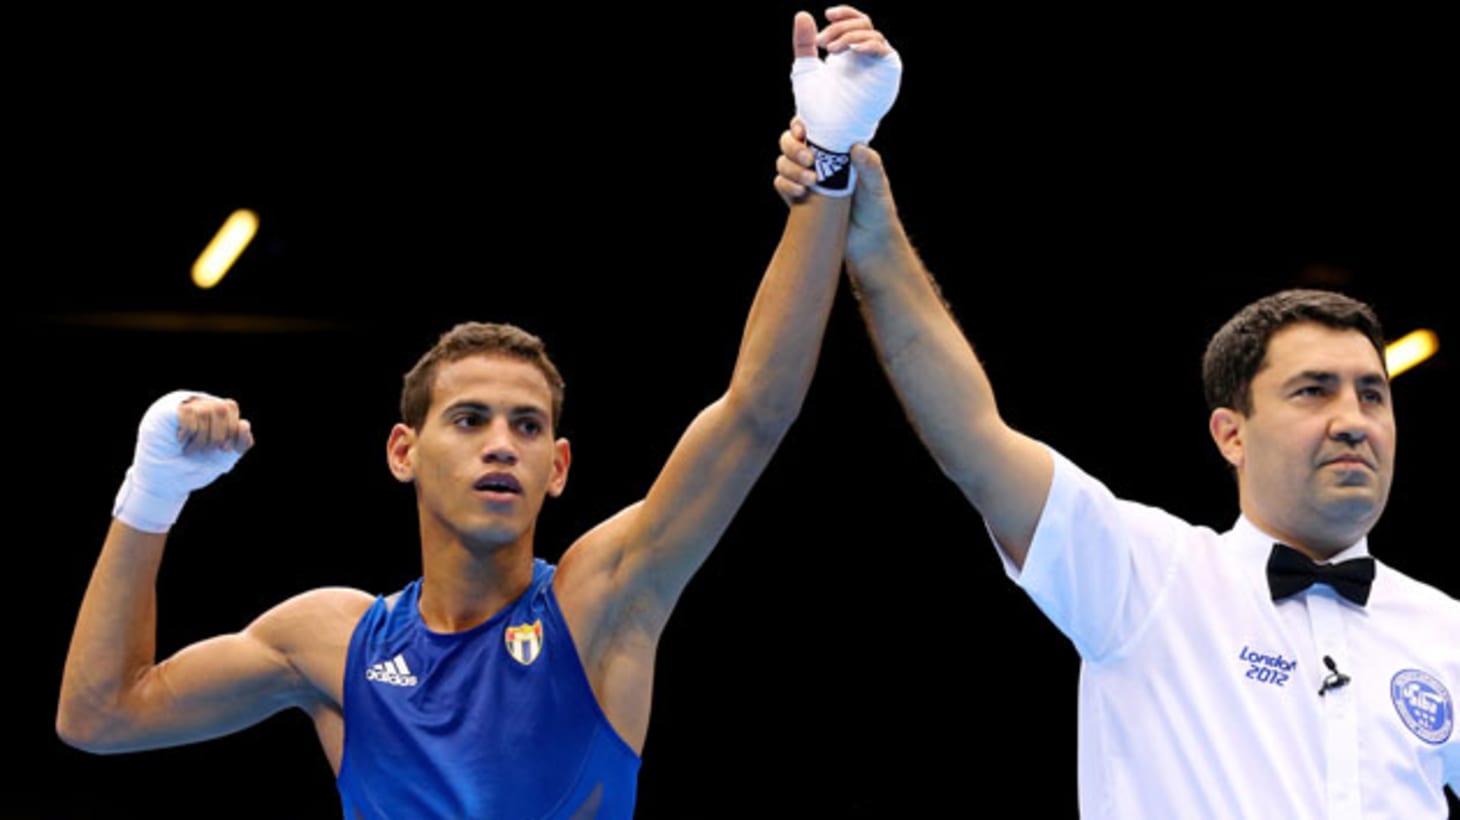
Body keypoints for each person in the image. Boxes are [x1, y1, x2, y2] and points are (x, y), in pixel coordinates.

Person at [55, 10, 900, 818]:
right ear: (403, 451)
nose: (502, 445)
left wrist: (827, 163)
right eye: (469, 420)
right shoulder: (330, 642)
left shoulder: (602, 598)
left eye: (527, 426)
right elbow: (100, 716)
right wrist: (154, 490)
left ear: (558, 467)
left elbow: (755, 412)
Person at [775, 69, 1459, 819]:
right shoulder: (1150, 574)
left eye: (1372, 394)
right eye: (1313, 391)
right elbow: (972, 435)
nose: (1353, 419)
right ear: (1231, 434)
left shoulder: (1445, 630)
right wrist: (874, 240)